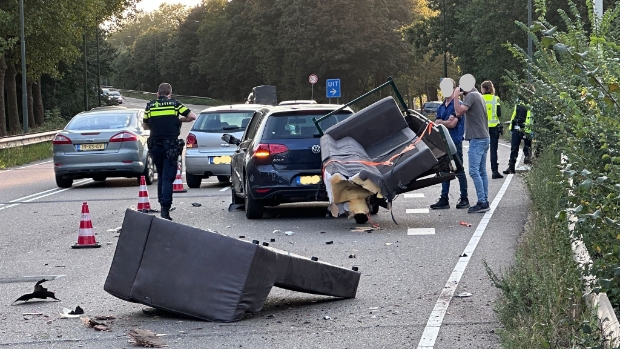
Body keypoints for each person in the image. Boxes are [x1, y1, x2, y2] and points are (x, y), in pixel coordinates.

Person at [143, 83, 197, 220]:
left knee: (161, 175)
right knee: (168, 177)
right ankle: (165, 209)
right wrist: (178, 120)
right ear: (170, 94)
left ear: (157, 94)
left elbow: (144, 125)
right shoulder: (174, 104)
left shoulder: (150, 106)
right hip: (170, 146)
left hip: (155, 146)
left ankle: (162, 203)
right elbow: (192, 116)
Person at [452, 74, 491, 213]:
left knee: (474, 171)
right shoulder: (478, 95)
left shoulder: (472, 96)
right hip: (484, 138)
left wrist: (456, 96)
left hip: (477, 139)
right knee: (481, 171)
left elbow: (458, 112)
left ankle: (482, 201)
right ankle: (484, 199)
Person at [430, 78, 469, 210]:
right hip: (443, 143)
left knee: (459, 170)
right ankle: (444, 199)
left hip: (454, 142)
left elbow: (452, 124)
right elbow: (436, 124)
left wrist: (442, 122)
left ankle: (464, 198)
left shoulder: (457, 104)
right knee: (444, 171)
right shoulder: (441, 107)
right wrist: (443, 122)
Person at [481, 80, 503, 179]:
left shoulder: (480, 98)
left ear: (484, 89)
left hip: (482, 127)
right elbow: (499, 114)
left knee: (481, 149)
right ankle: (494, 171)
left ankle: (480, 171)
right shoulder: (496, 99)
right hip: (494, 127)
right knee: (493, 150)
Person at [503, 101, 532, 174]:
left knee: (527, 148)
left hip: (526, 129)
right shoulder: (519, 103)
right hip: (516, 127)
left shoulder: (531, 103)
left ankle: (527, 165)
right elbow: (514, 115)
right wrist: (512, 127)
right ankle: (511, 167)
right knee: (514, 148)